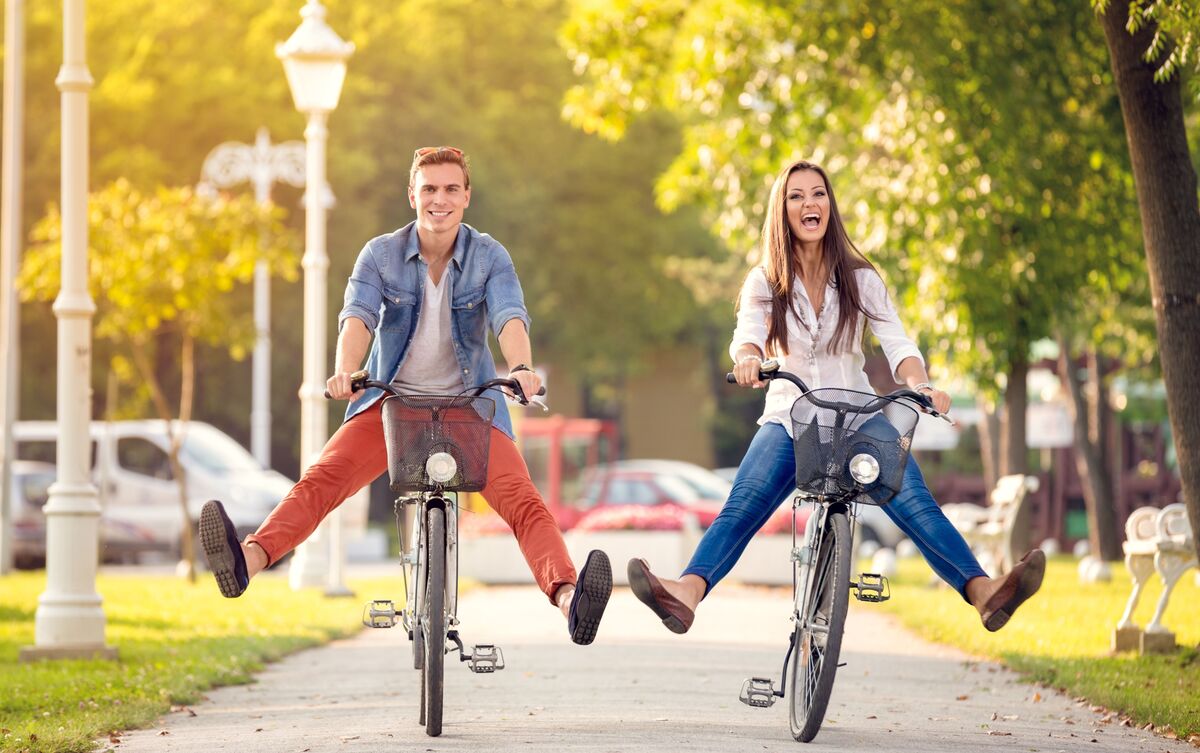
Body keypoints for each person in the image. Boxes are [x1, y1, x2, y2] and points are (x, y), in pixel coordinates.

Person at [200, 146, 612, 645]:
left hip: (470, 409)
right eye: (430, 189)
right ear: (412, 195)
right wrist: (344, 371)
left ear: (466, 197)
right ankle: (246, 562)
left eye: (451, 189)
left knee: (525, 504)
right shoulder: (380, 254)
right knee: (322, 481)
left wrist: (521, 367)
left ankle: (571, 601)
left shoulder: (489, 255)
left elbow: (509, 315)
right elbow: (358, 315)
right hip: (390, 405)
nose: (440, 199)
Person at [627, 158, 1044, 635]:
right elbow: (748, 336)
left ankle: (983, 592)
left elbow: (899, 345)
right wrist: (747, 359)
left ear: (831, 205)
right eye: (797, 195)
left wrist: (921, 384)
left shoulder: (861, 278)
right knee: (743, 504)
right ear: (782, 211)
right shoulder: (765, 281)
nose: (810, 203)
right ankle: (685, 595)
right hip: (791, 415)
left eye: (819, 194)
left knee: (914, 501)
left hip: (858, 416)